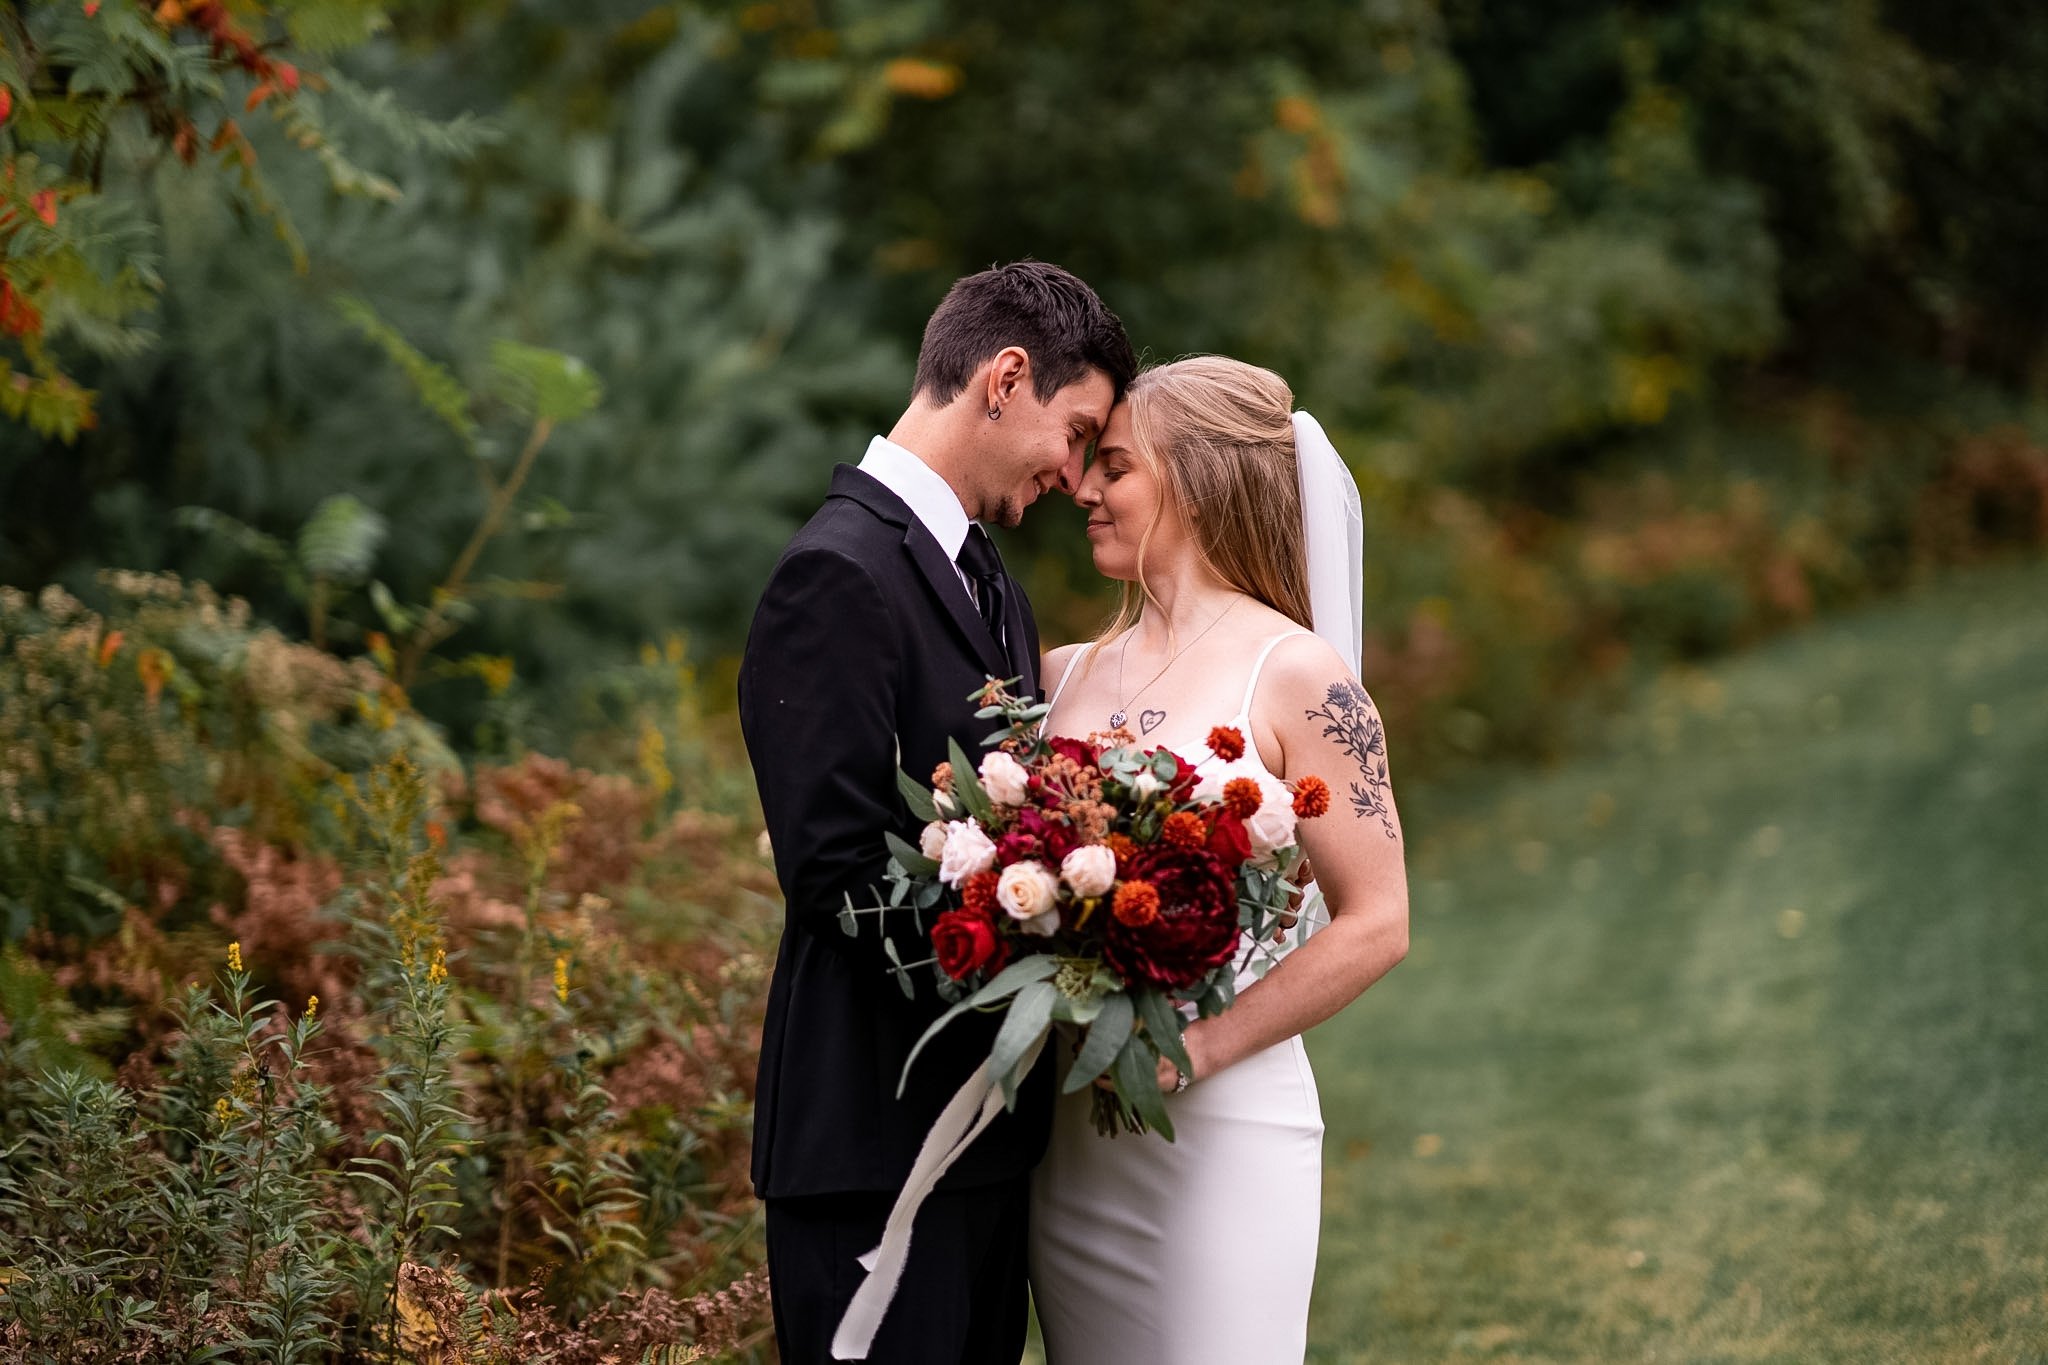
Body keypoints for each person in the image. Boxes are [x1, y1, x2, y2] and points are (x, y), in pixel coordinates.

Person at [737, 261, 1136, 1363]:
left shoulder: (986, 576)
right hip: (870, 1139)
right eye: (1077, 432)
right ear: (1005, 379)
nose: (1075, 470)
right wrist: (1028, 968)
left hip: (983, 1145)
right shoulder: (834, 575)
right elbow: (829, 873)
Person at [1027, 356, 1411, 1362]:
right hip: (1075, 1145)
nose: (1082, 490)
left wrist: (1192, 1052)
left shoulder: (1298, 675)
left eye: (1113, 466)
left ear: (1195, 482)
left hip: (1221, 1125)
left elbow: (1377, 923)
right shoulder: (1058, 677)